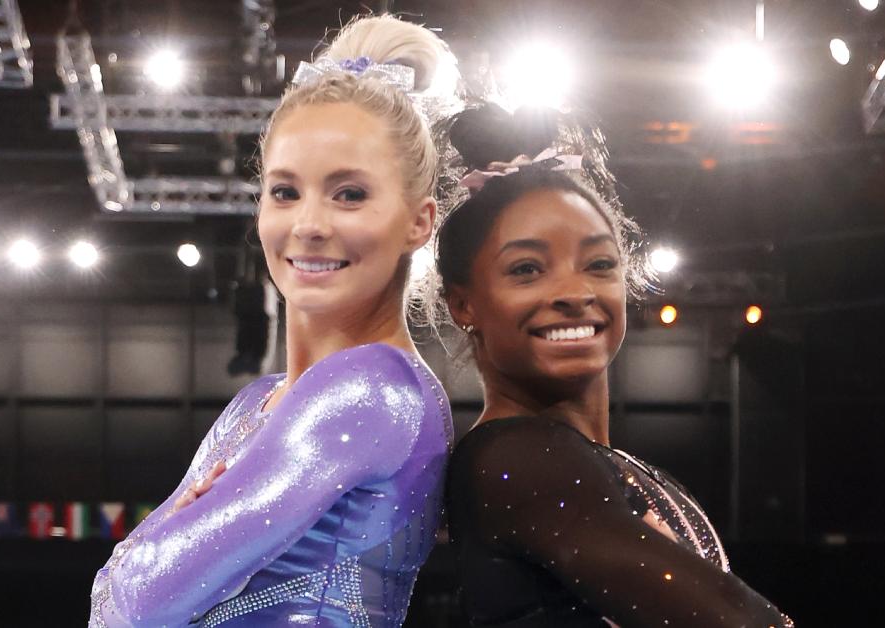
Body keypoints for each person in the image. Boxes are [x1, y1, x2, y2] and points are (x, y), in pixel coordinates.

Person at [88, 15, 459, 627]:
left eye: (349, 194)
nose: (309, 225)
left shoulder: (369, 389)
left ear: (419, 221)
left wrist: (154, 540)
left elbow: (133, 599)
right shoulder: (257, 403)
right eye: (285, 192)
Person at [431, 103, 793, 627]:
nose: (575, 293)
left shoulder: (592, 462)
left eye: (598, 264)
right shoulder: (517, 458)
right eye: (527, 269)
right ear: (463, 304)